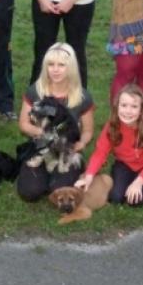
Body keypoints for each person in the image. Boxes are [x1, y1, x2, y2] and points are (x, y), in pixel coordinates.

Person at [16, 42, 94, 202]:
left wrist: (82, 143)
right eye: (51, 64)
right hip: (40, 147)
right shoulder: (35, 91)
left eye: (61, 65)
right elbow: (23, 124)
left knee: (59, 189)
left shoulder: (82, 96)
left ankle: (58, 177)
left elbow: (88, 130)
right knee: (29, 192)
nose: (55, 69)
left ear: (71, 67)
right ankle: (41, 177)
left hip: (67, 151)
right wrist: (45, 134)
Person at [76, 84, 143, 206]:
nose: (128, 111)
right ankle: (133, 183)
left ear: (142, 109)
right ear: (117, 106)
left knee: (135, 199)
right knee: (116, 197)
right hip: (125, 164)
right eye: (124, 105)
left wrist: (139, 182)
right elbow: (100, 153)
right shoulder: (112, 126)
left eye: (134, 106)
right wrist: (88, 177)